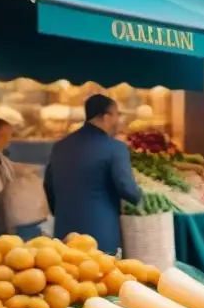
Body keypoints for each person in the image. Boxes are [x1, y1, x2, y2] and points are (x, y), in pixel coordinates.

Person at [44, 95, 142, 254]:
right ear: (106, 116)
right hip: (101, 235)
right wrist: (143, 199)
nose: (118, 120)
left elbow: (48, 185)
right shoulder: (115, 148)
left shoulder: (59, 147)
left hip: (64, 233)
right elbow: (127, 189)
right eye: (117, 114)